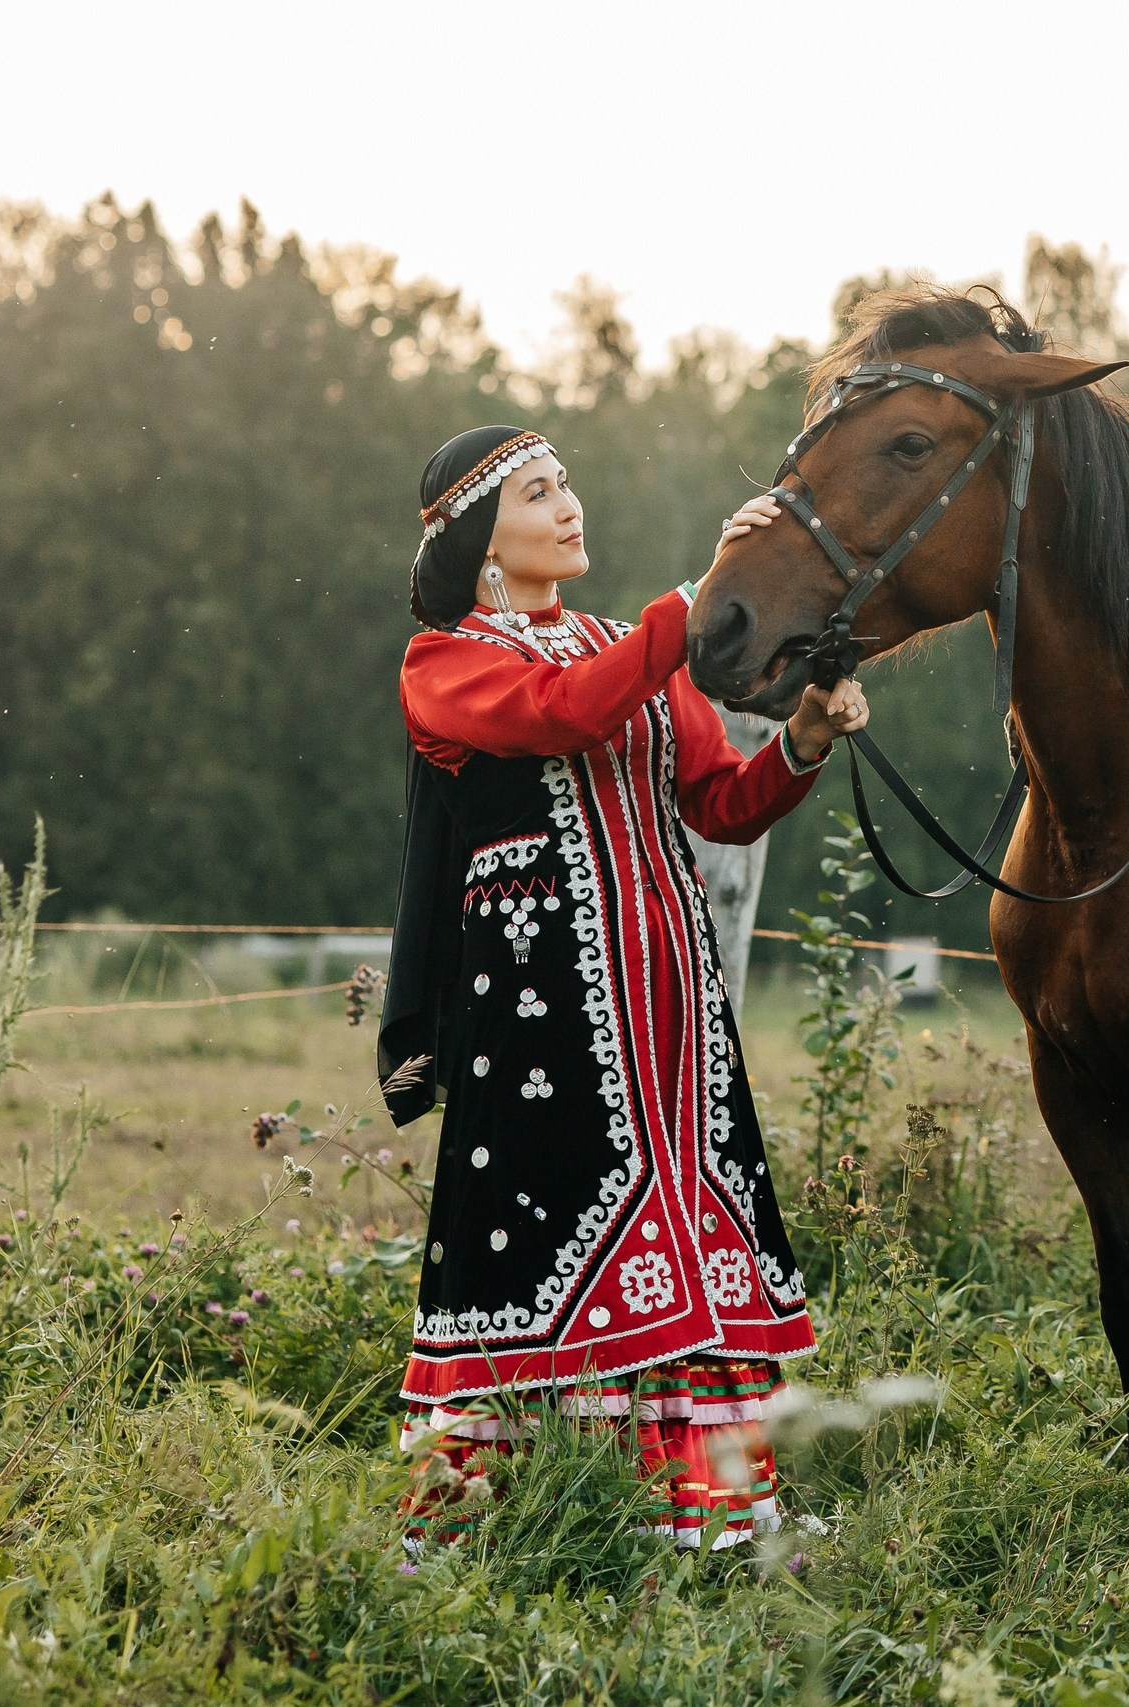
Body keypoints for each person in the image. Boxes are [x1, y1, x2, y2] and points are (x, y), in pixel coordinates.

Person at [376, 424, 852, 1548]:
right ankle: (517, 1514)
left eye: (568, 485)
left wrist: (805, 742)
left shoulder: (613, 640)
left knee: (680, 1221)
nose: (569, 505)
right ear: (484, 542)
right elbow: (561, 715)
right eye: (540, 494)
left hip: (670, 997)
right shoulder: (444, 662)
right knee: (544, 1227)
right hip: (540, 1007)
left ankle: (701, 1505)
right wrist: (686, 608)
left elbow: (719, 804)